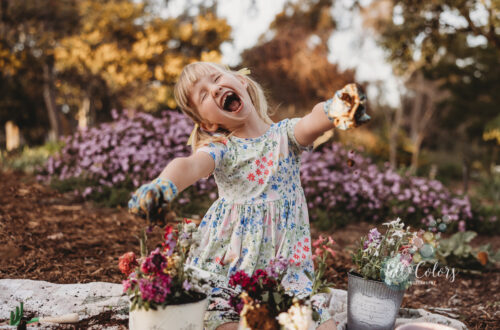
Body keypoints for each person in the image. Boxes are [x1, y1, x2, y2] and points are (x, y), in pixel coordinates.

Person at [128, 62, 370, 330]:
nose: (215, 87)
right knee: (223, 323)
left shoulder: (285, 137)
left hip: (284, 270)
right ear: (207, 122)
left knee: (322, 326)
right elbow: (189, 165)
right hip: (230, 270)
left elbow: (311, 121)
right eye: (204, 94)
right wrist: (163, 186)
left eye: (217, 77)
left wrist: (335, 109)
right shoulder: (222, 150)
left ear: (241, 82)